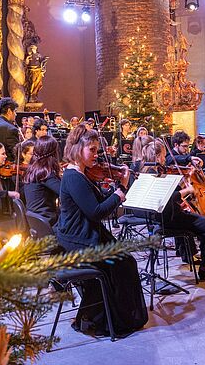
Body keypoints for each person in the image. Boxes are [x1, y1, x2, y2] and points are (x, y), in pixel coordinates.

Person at [54, 123, 147, 337]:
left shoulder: (81, 173)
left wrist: (117, 188)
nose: (96, 155)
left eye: (97, 150)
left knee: (125, 262)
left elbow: (96, 203)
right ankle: (110, 319)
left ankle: (113, 316)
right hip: (79, 240)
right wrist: (120, 192)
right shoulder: (73, 177)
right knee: (123, 264)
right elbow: (96, 212)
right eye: (92, 150)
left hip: (84, 235)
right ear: (78, 149)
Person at [139, 139, 205, 281]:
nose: (165, 158)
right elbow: (169, 197)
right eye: (163, 155)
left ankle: (204, 263)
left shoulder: (146, 172)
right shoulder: (155, 174)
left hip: (163, 217)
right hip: (172, 219)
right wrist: (187, 190)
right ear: (157, 157)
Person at [23, 135, 62, 225]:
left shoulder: (33, 169)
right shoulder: (44, 173)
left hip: (35, 220)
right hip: (46, 221)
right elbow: (64, 191)